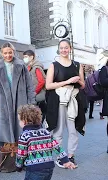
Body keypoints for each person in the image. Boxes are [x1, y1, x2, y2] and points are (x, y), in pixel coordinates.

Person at [0, 42, 35, 170]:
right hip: (4, 104)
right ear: (1, 53)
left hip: (20, 102)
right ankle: (3, 159)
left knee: (21, 132)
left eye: (10, 52)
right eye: (5, 53)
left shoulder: (21, 65)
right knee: (2, 132)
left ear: (13, 52)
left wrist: (31, 103)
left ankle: (22, 160)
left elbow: (29, 86)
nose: (8, 55)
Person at [45, 39, 86, 167]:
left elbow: (83, 85)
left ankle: (71, 155)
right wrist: (68, 81)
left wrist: (78, 81)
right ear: (59, 49)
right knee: (59, 130)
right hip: (59, 100)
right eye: (61, 48)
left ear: (70, 49)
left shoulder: (77, 65)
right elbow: (48, 85)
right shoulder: (53, 65)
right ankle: (60, 156)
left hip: (74, 99)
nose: (64, 50)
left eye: (66, 47)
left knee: (73, 129)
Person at [16, 105, 76, 180]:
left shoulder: (24, 135)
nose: (19, 123)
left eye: (20, 120)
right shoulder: (46, 132)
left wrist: (19, 166)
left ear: (24, 121)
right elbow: (57, 147)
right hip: (49, 167)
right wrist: (65, 161)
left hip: (34, 168)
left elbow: (21, 154)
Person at [23, 50, 47, 122]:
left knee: (37, 117)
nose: (24, 59)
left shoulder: (36, 68)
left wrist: (34, 92)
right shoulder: (29, 68)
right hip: (34, 96)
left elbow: (41, 81)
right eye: (24, 57)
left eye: (26, 57)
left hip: (38, 97)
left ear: (31, 57)